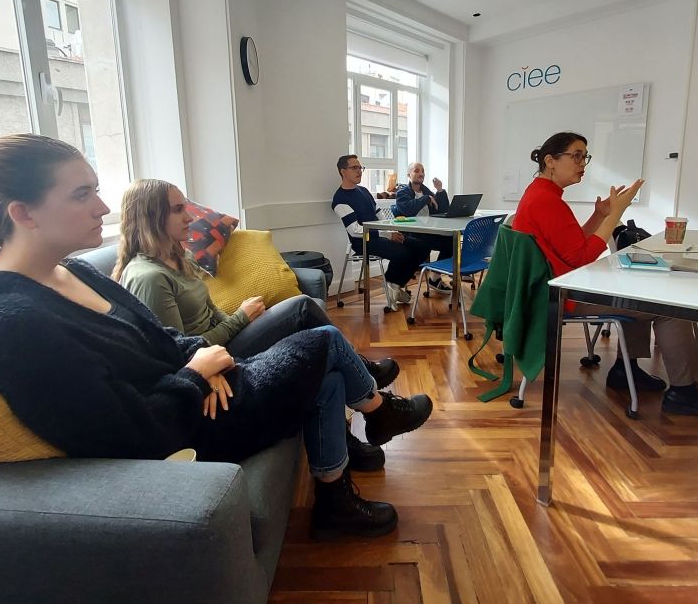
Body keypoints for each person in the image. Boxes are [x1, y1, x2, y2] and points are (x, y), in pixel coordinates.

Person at [0, 133, 434, 540]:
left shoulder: (76, 272)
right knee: (320, 344)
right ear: (23, 213)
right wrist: (195, 376)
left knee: (321, 376)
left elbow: (161, 338)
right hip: (182, 431)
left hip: (197, 394)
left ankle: (335, 503)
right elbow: (122, 433)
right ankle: (377, 410)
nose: (102, 207)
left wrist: (206, 354)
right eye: (82, 194)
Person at [113, 178, 398, 472]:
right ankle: (368, 382)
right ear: (149, 217)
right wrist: (241, 318)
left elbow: (210, 311)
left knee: (327, 364)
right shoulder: (148, 278)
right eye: (177, 210)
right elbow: (181, 355)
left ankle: (349, 438)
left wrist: (242, 321)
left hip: (222, 342)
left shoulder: (178, 256)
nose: (188, 217)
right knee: (303, 308)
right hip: (216, 357)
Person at [511, 132, 698, 420]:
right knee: (672, 309)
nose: (583, 164)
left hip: (555, 287)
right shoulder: (545, 201)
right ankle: (684, 392)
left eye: (585, 157)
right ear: (550, 161)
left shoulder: (541, 194)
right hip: (559, 297)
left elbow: (571, 244)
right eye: (576, 156)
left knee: (635, 297)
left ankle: (624, 370)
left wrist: (600, 215)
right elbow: (582, 257)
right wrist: (615, 215)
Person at [331, 154, 428, 310]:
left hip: (380, 235)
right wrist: (387, 234)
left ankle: (394, 286)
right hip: (363, 241)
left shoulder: (363, 191)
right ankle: (392, 288)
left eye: (360, 167)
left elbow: (379, 214)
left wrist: (391, 229)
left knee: (422, 247)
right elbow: (355, 230)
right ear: (343, 171)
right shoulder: (340, 199)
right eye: (354, 168)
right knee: (403, 253)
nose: (359, 171)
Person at [392, 162, 453, 294]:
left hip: (428, 232)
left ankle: (435, 278)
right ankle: (399, 282)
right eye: (417, 171)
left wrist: (440, 191)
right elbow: (407, 209)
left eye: (422, 171)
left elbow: (443, 210)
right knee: (430, 245)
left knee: (451, 241)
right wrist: (426, 198)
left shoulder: (427, 191)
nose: (421, 173)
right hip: (412, 233)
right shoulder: (402, 192)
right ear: (409, 175)